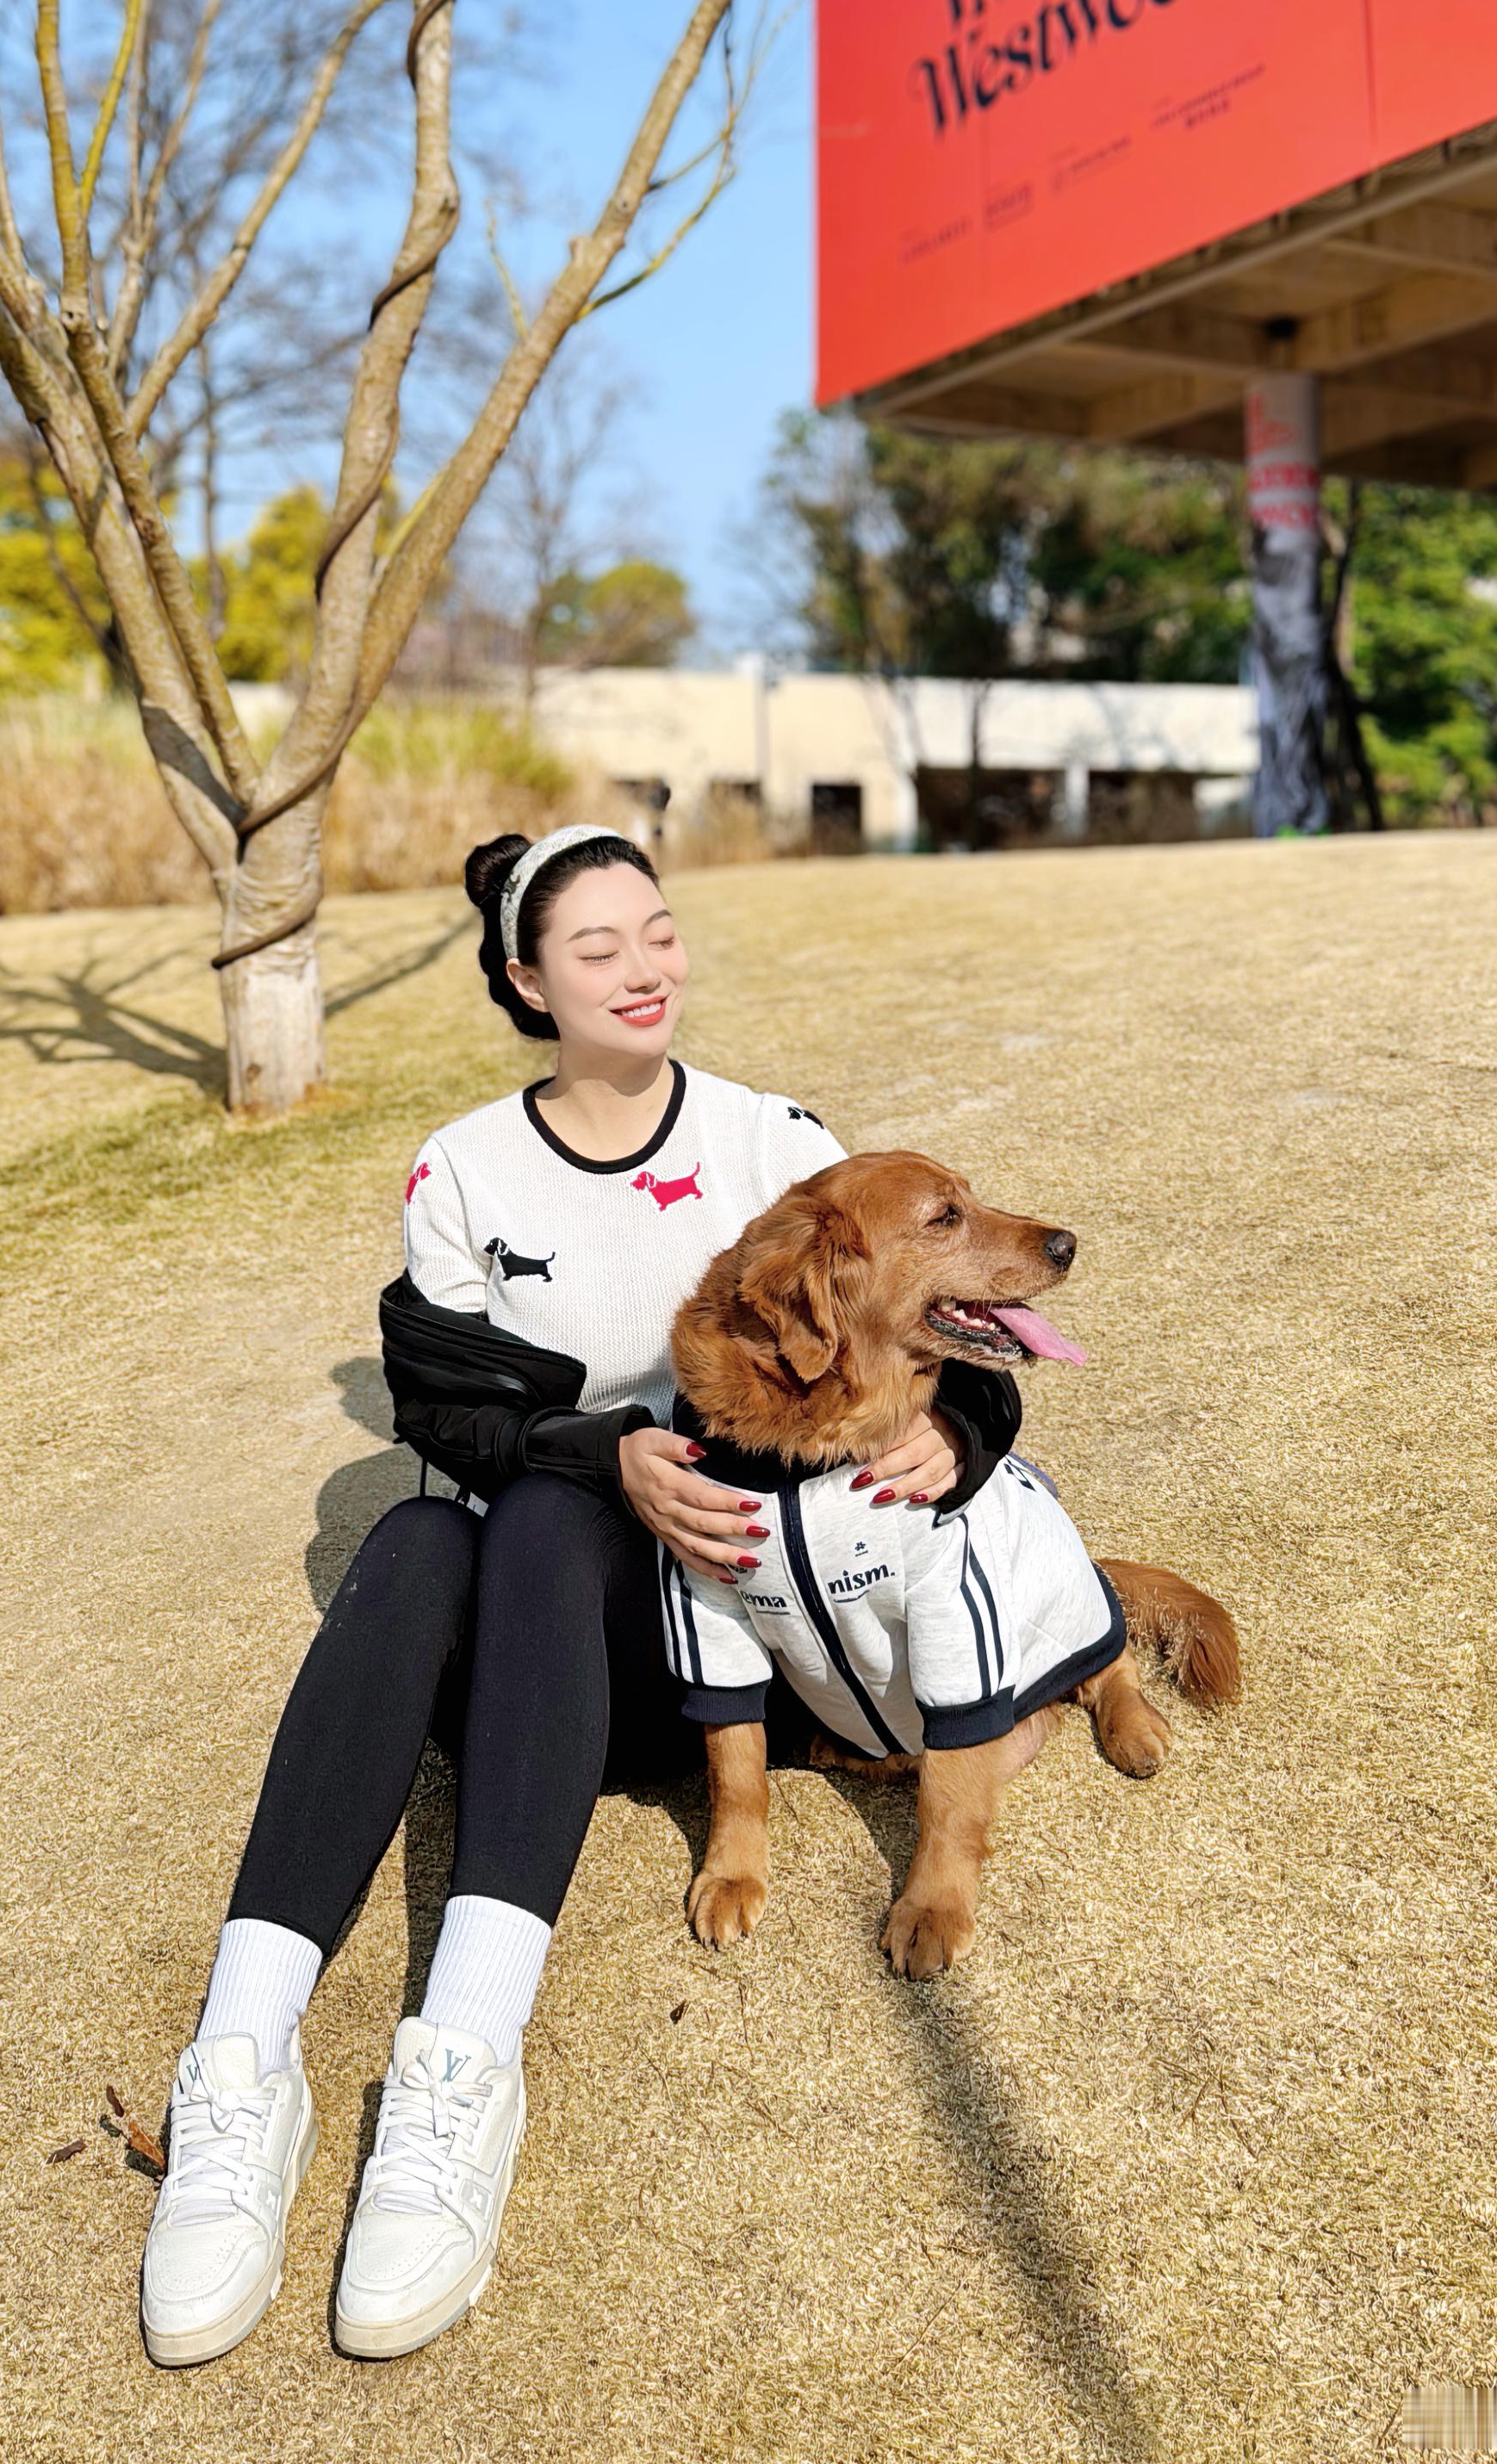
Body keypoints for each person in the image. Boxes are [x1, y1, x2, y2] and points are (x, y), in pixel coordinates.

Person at [139, 823, 1022, 2369]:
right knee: (426, 1541)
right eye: (596, 947)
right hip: (551, 1644)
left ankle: (462, 2059)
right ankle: (238, 2062)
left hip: (731, 1633)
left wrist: (966, 1427)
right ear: (522, 977)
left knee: (536, 1529)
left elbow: (925, 1311)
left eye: (658, 932)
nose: (642, 969)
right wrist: (603, 1450)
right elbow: (442, 1409)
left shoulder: (773, 1141)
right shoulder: (462, 1169)